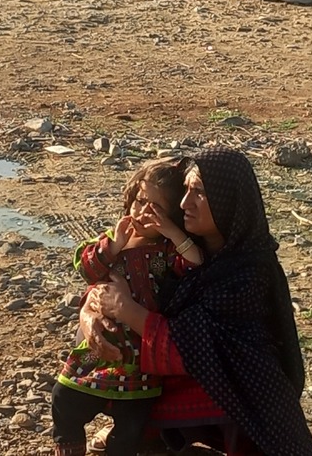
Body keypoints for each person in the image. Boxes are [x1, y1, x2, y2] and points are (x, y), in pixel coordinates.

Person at [90, 147, 312, 456]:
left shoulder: (250, 269)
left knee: (229, 384)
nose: (185, 204)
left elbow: (200, 345)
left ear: (227, 201)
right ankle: (145, 428)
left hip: (237, 386)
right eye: (186, 191)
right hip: (177, 372)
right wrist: (91, 317)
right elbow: (116, 279)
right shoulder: (177, 246)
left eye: (199, 194)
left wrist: (128, 312)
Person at [52, 157, 203, 456]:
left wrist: (173, 233)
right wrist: (113, 245)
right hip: (99, 349)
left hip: (140, 357)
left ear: (172, 214)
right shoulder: (114, 241)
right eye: (139, 200)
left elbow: (196, 263)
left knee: (132, 422)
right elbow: (86, 269)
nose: (143, 212)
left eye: (156, 208)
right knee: (65, 397)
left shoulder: (168, 250)